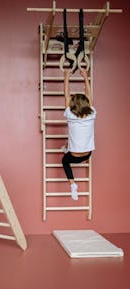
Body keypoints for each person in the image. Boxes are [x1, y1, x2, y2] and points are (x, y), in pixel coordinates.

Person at [62, 68, 97, 200]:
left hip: (74, 155)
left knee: (64, 161)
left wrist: (66, 77)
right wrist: (85, 77)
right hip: (88, 154)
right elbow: (89, 94)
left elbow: (66, 95)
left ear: (72, 105)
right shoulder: (92, 113)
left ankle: (72, 184)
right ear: (87, 104)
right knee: (70, 141)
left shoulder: (70, 114)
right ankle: (66, 147)